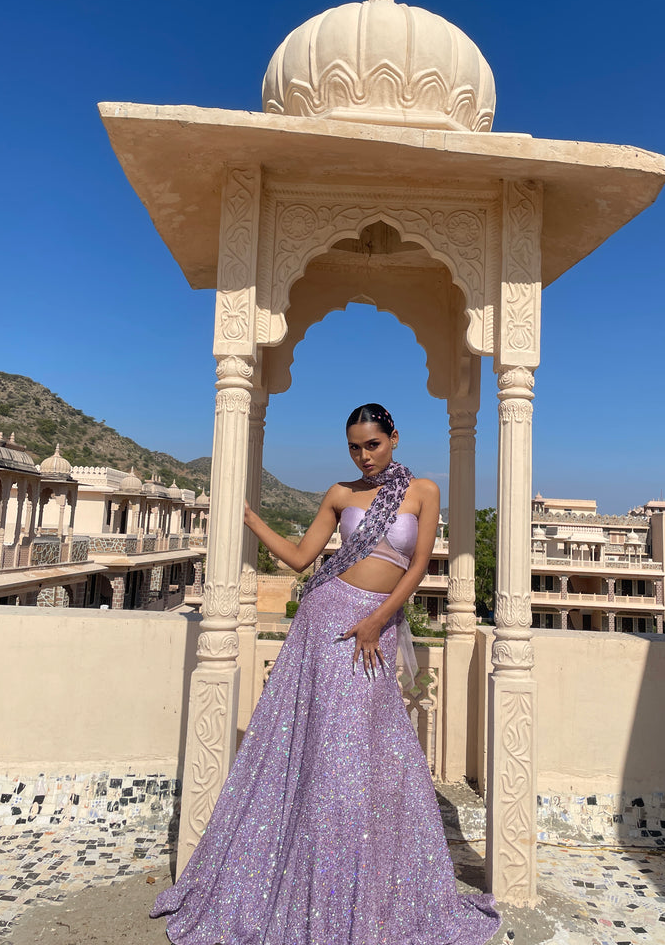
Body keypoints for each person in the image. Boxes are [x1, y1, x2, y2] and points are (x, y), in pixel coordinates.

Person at [151, 403, 501, 945]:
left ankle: (367, 884)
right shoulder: (340, 495)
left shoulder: (424, 491)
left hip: (372, 629)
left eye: (373, 445)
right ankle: (311, 885)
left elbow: (416, 567)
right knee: (325, 749)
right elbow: (298, 557)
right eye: (355, 448)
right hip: (326, 623)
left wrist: (377, 621)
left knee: (365, 751)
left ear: (394, 439)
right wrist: (249, 519)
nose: (364, 457)